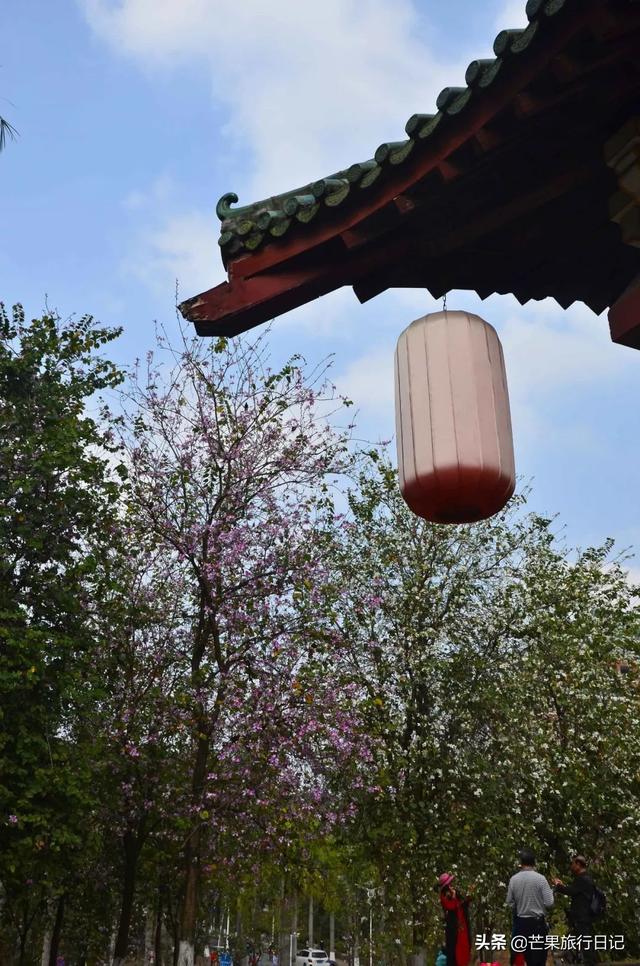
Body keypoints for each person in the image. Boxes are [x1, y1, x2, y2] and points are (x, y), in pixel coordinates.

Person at [506, 849, 554, 966]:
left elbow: (509, 902)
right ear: (534, 863)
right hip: (537, 925)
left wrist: (521, 906)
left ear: (521, 863)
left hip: (521, 924)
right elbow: (549, 903)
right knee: (537, 960)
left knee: (521, 958)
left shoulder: (514, 879)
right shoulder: (541, 879)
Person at [552, 855, 596, 966]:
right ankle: (573, 957)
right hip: (582, 915)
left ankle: (588, 962)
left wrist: (558, 886)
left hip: (582, 915)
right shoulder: (584, 878)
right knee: (578, 938)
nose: (571, 866)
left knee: (584, 939)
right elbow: (574, 891)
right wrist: (562, 886)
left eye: (573, 864)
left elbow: (572, 891)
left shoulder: (583, 878)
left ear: (578, 864)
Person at [438, 872, 472, 966]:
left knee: (464, 949)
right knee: (454, 952)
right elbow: (451, 906)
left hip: (462, 927)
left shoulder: (454, 892)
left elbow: (461, 905)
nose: (452, 885)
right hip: (454, 929)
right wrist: (453, 896)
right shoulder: (444, 896)